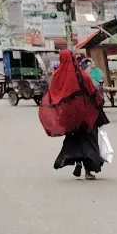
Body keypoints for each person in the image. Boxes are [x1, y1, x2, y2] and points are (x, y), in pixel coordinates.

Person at [43, 49, 110, 180]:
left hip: (69, 117)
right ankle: (88, 171)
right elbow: (93, 93)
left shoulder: (57, 76)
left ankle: (78, 162)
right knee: (89, 141)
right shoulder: (82, 75)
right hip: (86, 116)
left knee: (74, 139)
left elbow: (52, 94)